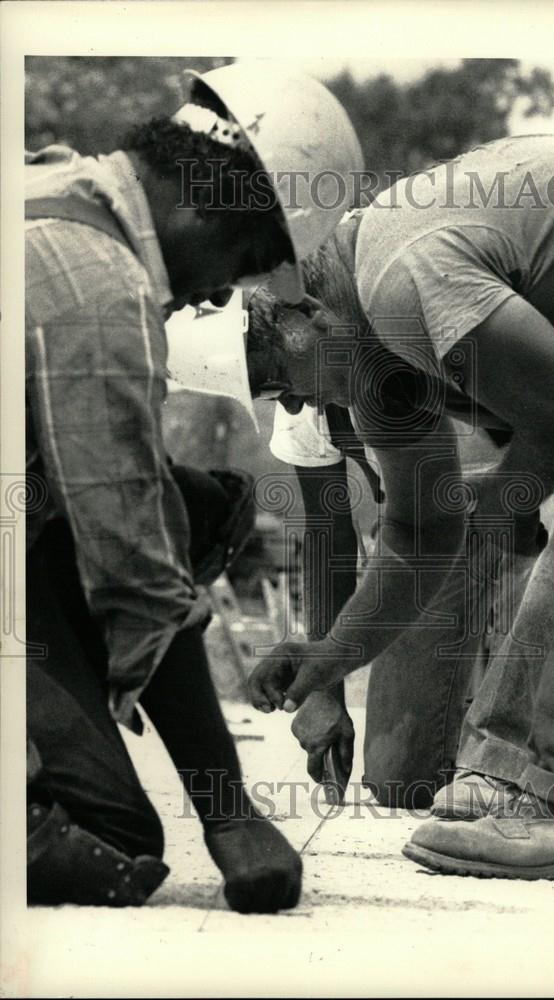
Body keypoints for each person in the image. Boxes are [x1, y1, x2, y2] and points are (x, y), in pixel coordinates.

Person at [247, 131, 554, 882]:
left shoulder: (400, 280)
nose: (291, 402)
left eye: (277, 375)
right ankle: (528, 772)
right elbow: (421, 535)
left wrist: (505, 490)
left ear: (303, 315)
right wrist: (327, 658)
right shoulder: (377, 361)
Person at [25, 60, 363, 911]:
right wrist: (229, 815)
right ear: (202, 199)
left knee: (203, 505)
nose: (220, 290)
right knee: (110, 841)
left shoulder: (55, 180)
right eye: (244, 259)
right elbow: (135, 559)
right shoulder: (98, 286)